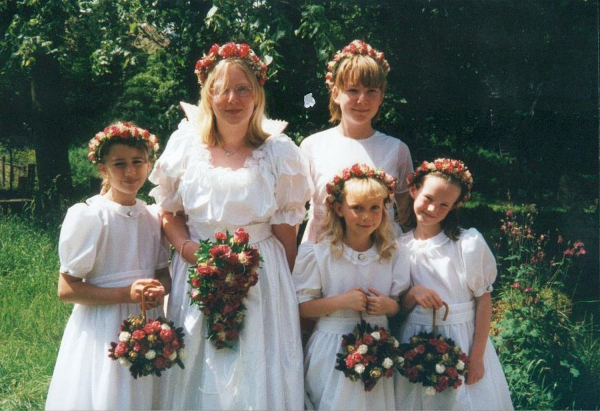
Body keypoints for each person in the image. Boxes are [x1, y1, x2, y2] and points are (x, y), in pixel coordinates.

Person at [148, 42, 312, 410]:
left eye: (243, 89)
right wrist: (189, 250)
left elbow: (288, 231)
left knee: (256, 365)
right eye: (222, 89)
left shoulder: (279, 152)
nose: (232, 99)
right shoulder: (186, 145)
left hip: (261, 274)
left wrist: (280, 295)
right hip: (198, 267)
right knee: (198, 359)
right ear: (208, 95)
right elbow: (169, 210)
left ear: (257, 95)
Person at [45, 123, 170, 410]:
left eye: (138, 162)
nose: (130, 172)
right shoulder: (91, 216)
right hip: (103, 326)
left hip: (147, 322)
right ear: (103, 168)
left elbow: (163, 275)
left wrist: (157, 290)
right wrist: (126, 294)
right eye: (119, 164)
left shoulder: (153, 216)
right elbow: (67, 290)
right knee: (108, 394)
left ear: (149, 163)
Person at [394, 158, 513, 410]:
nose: (432, 208)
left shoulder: (465, 243)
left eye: (443, 204)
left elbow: (483, 300)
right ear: (413, 189)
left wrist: (477, 356)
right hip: (415, 339)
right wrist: (413, 293)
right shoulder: (400, 246)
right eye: (428, 198)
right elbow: (400, 308)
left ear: (454, 207)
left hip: (462, 338)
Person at [293, 163, 410, 410]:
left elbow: (398, 307)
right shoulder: (319, 254)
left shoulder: (391, 254)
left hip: (379, 347)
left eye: (374, 208)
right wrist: (341, 302)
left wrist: (390, 306)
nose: (367, 217)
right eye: (357, 208)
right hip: (332, 346)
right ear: (339, 208)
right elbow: (302, 308)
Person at [300, 39, 414, 243]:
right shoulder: (312, 146)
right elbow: (291, 212)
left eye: (371, 91)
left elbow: (407, 216)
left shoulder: (396, 150)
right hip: (323, 252)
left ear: (381, 97)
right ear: (336, 94)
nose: (362, 99)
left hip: (379, 255)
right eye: (353, 90)